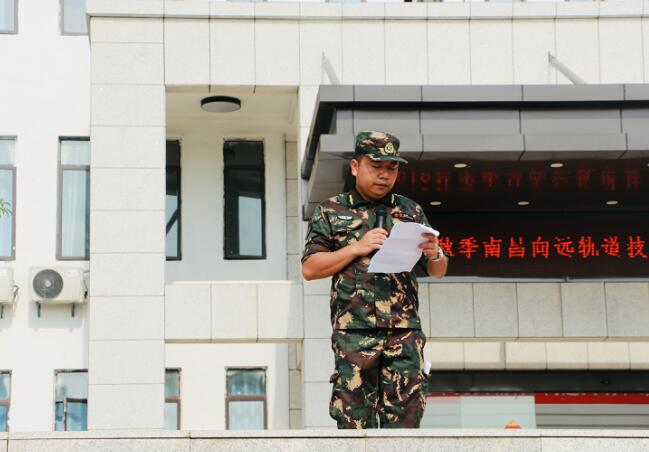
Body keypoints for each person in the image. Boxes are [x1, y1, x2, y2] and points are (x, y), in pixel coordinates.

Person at [301, 130, 449, 429]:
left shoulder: (410, 210)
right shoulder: (331, 210)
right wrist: (357, 247)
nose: (384, 175)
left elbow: (438, 270)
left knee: (407, 418)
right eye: (376, 167)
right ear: (355, 167)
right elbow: (310, 268)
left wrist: (435, 254)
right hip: (355, 332)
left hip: (403, 331)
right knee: (354, 420)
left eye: (391, 168)